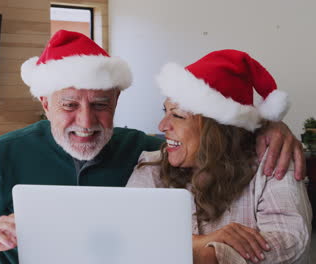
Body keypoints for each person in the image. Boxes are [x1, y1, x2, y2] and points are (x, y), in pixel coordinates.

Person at [0, 31, 305, 264]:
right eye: (69, 105)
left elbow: (206, 141)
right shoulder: (5, 154)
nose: (86, 123)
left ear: (116, 103)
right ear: (44, 104)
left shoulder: (144, 150)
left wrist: (267, 125)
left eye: (100, 105)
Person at [127, 50, 312, 264]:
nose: (162, 126)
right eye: (165, 111)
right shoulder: (150, 167)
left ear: (217, 130)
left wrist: (207, 254)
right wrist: (204, 244)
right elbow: (130, 237)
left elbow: (290, 239)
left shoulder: (271, 165)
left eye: (177, 115)